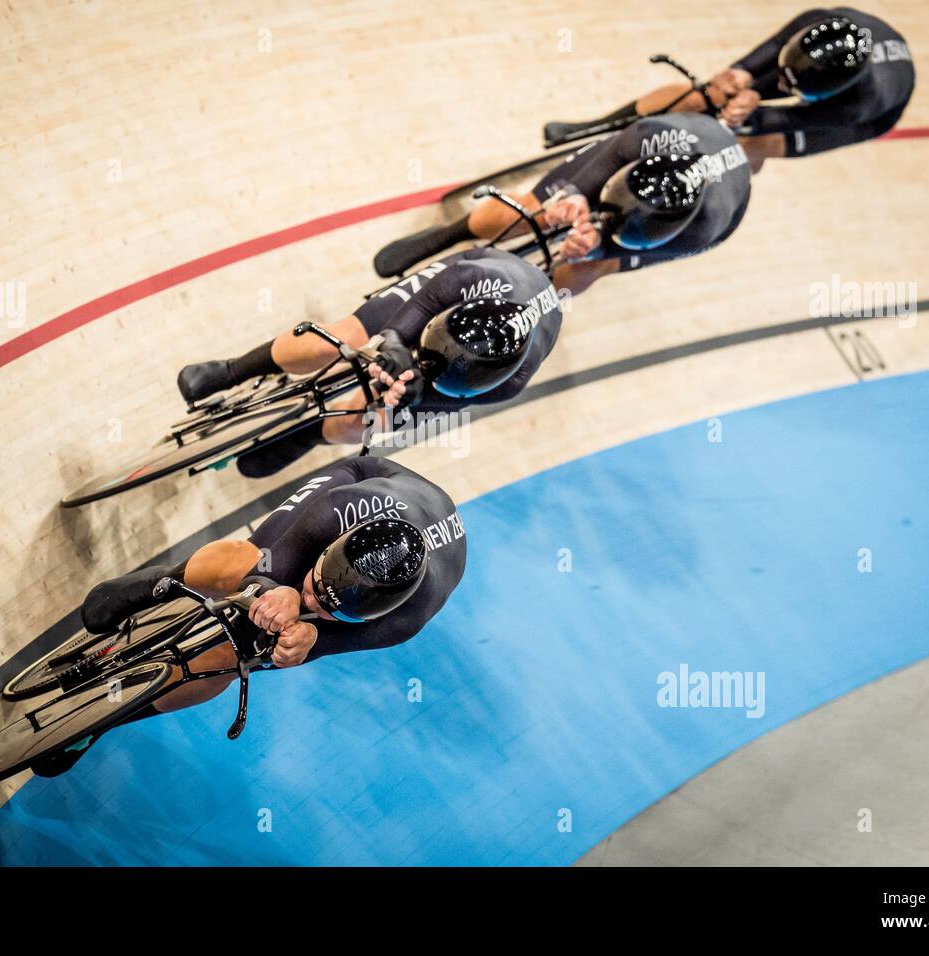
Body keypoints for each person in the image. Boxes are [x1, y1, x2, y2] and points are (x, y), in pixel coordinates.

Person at [35, 456, 467, 776]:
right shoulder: (337, 510)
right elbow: (267, 571)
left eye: (328, 610)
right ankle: (157, 582)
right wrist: (275, 588)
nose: (310, 602)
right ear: (329, 551)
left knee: (238, 652)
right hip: (369, 477)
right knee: (246, 560)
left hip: (398, 571)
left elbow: (321, 641)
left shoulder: (403, 621)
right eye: (314, 586)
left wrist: (306, 638)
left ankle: (103, 721)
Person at [177, 247, 563, 478]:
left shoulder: (510, 382)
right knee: (342, 338)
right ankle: (232, 370)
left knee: (373, 420)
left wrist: (405, 396)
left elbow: (421, 404)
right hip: (450, 296)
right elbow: (421, 308)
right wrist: (394, 345)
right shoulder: (475, 275)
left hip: (477, 355)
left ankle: (309, 432)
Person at [374, 112, 751, 293]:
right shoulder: (647, 138)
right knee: (532, 212)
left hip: (711, 214)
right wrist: (570, 200)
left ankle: (526, 300)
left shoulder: (704, 229)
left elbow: (608, 251)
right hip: (676, 140)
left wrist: (590, 247)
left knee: (588, 266)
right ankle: (447, 234)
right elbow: (580, 184)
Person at [549, 9, 914, 175]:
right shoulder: (815, 23)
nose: (782, 86)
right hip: (820, 68)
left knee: (755, 142)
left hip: (869, 115)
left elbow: (786, 117)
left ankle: (698, 181)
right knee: (706, 94)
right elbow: (761, 57)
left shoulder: (859, 106)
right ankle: (589, 127)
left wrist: (743, 118)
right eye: (784, 78)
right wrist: (739, 78)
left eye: (792, 85)